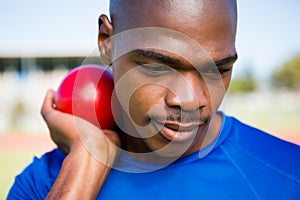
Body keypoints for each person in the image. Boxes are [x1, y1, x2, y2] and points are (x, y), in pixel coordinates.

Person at [7, 0, 300, 199]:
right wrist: (88, 156)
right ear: (107, 43)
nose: (190, 101)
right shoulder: (43, 185)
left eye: (218, 69)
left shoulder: (289, 176)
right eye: (158, 66)